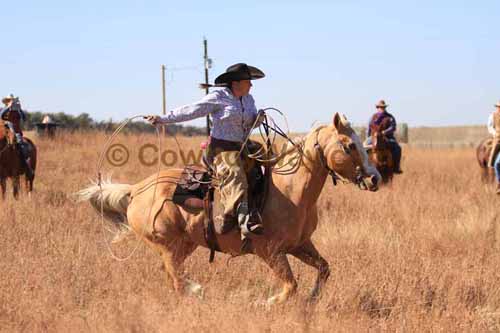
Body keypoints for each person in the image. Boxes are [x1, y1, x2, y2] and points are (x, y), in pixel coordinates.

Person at [146, 63, 265, 239]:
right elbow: (192, 110)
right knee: (235, 172)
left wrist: (259, 120)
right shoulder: (218, 97)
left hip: (242, 145)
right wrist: (163, 119)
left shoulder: (249, 99)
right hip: (220, 148)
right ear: (236, 83)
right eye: (248, 81)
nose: (251, 85)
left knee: (268, 157)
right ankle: (243, 217)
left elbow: (250, 123)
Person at [0, 94, 33, 178]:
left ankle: (26, 165)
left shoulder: (17, 110)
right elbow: (0, 116)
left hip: (17, 132)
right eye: (9, 100)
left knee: (22, 145)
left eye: (12, 100)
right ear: (6, 102)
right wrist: (8, 107)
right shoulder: (4, 109)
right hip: (5, 133)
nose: (11, 102)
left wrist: (20, 109)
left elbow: (24, 118)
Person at [366, 100, 402, 173]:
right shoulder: (373, 117)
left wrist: (384, 132)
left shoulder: (390, 117)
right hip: (374, 137)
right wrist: (368, 138)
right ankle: (364, 167)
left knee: (398, 148)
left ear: (385, 108)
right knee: (363, 148)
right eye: (380, 107)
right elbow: (368, 128)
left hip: (387, 137)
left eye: (383, 107)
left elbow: (393, 127)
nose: (381, 108)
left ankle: (396, 167)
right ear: (377, 108)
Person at [487, 101, 500, 193]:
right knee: (496, 163)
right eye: (498, 106)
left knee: (497, 163)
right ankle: (499, 182)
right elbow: (490, 126)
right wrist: (495, 133)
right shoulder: (493, 115)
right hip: (497, 138)